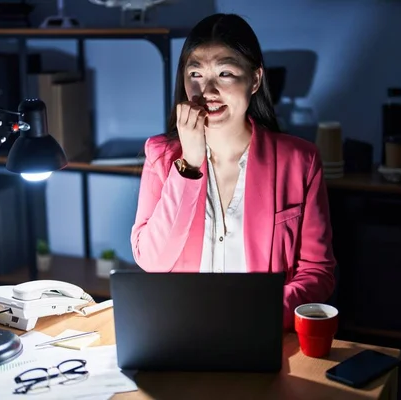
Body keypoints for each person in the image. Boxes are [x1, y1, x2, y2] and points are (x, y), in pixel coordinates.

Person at [130, 13, 336, 330]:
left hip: (262, 335)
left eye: (225, 73)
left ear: (254, 80)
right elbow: (152, 261)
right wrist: (189, 165)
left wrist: (262, 314)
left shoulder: (300, 160)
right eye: (195, 73)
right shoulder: (161, 155)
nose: (207, 89)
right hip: (182, 333)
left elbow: (317, 272)